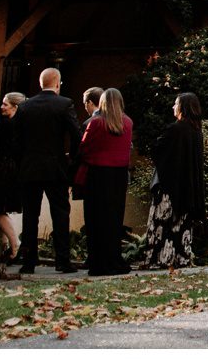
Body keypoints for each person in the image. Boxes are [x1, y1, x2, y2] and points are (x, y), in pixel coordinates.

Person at [13, 68, 82, 274]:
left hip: (30, 167)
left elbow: (16, 142)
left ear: (40, 82)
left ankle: (29, 261)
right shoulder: (64, 104)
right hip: (55, 166)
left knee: (30, 215)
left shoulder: (24, 107)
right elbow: (77, 136)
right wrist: (71, 161)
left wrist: (22, 163)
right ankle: (62, 260)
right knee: (60, 213)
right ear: (58, 83)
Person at [140, 93, 205, 269]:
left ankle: (161, 257)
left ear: (183, 107)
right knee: (181, 224)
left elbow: (157, 149)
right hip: (187, 188)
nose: (173, 107)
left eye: (176, 104)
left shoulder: (175, 129)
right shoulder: (196, 132)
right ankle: (181, 256)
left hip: (169, 187)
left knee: (162, 223)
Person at [79, 88, 134, 276]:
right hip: (118, 176)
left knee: (95, 219)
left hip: (97, 174)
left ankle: (98, 261)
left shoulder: (95, 123)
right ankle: (113, 258)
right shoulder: (127, 122)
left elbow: (84, 148)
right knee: (114, 218)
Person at [0, 92, 25, 264]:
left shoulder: (5, 126)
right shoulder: (22, 126)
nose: (2, 107)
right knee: (1, 207)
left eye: (5, 104)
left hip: (2, 169)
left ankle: (15, 243)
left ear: (15, 107)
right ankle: (6, 247)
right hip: (14, 169)